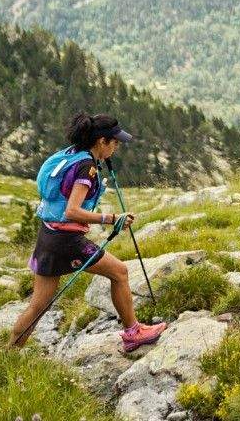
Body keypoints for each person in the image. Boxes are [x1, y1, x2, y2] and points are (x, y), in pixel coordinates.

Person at [11, 113, 166, 353]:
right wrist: (111, 218)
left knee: (37, 306)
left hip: (48, 235)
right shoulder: (87, 168)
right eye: (114, 142)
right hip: (66, 241)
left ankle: (8, 353)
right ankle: (133, 333)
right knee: (120, 273)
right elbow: (72, 211)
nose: (116, 147)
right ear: (101, 141)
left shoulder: (73, 153)